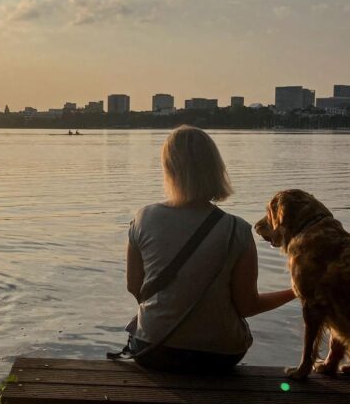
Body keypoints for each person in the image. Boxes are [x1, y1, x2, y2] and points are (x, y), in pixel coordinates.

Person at [125, 125, 294, 372]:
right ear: (215, 169)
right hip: (219, 355)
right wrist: (296, 291)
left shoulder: (143, 218)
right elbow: (248, 306)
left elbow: (134, 287)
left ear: (169, 169)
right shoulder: (237, 229)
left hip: (153, 348)